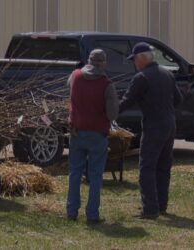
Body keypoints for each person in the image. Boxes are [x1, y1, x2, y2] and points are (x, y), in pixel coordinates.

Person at [119, 42, 183, 219]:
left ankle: (150, 209)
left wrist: (109, 112)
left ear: (142, 59)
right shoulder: (167, 74)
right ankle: (161, 206)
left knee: (147, 167)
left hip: (153, 126)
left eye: (134, 60)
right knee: (163, 167)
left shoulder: (142, 78)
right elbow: (179, 99)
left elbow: (127, 101)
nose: (134, 63)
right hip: (170, 125)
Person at [67, 49, 119, 223]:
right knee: (95, 174)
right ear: (103, 63)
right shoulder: (106, 84)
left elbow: (70, 91)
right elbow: (112, 115)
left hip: (76, 131)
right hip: (97, 134)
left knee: (75, 172)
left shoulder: (74, 76)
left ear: (89, 61)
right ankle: (92, 214)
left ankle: (71, 211)